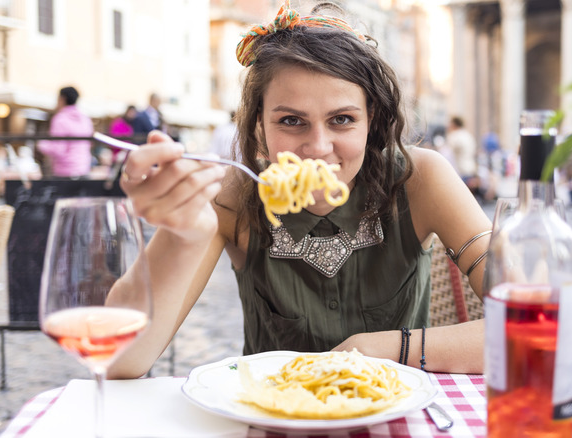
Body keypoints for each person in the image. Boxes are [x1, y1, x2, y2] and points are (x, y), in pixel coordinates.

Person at [108, 1, 491, 379]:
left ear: (371, 119)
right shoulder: (233, 194)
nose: (319, 146)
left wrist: (386, 348)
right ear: (259, 123)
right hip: (273, 417)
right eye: (292, 121)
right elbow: (120, 358)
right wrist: (182, 235)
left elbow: (536, 325)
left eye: (342, 119)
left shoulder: (422, 179)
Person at [37, 86, 94, 179]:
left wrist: (42, 145)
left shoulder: (60, 119)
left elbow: (58, 149)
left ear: (62, 99)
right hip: (84, 170)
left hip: (65, 172)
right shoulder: (85, 119)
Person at [446, 116, 478, 189]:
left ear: (453, 124)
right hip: (471, 170)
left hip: (460, 172)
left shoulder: (454, 136)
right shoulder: (468, 135)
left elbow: (446, 153)